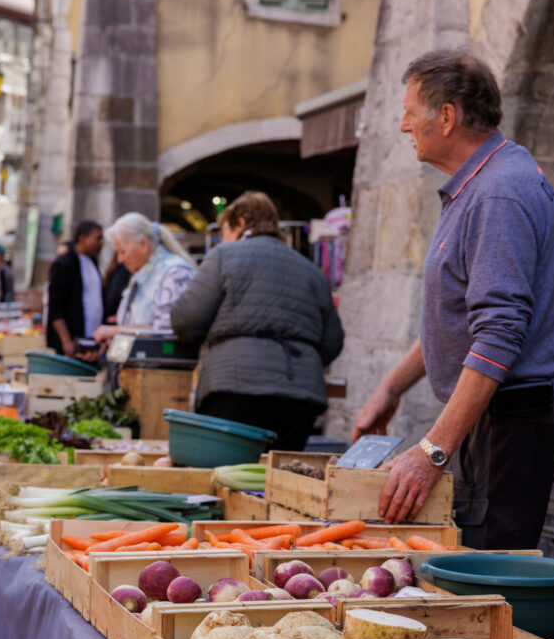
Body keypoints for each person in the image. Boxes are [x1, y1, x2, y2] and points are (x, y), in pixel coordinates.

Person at [353, 49, 554, 548]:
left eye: (410, 111)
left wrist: (433, 450)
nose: (402, 124)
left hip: (509, 420)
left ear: (446, 117)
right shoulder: (482, 185)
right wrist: (391, 388)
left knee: (486, 576)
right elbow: (459, 317)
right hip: (493, 415)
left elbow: (498, 333)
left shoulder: (498, 194)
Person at [170, 190, 345, 450]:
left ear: (240, 222)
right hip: (300, 397)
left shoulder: (224, 256)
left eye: (225, 231)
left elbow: (187, 319)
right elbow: (333, 341)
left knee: (227, 478)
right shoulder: (312, 271)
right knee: (280, 479)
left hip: (234, 389)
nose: (224, 239)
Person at [92, 215, 195, 347]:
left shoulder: (175, 272)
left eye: (123, 251)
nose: (119, 260)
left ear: (144, 244)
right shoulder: (143, 272)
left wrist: (116, 331)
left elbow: (166, 331)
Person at [46, 220, 104, 357]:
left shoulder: (92, 262)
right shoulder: (64, 263)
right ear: (82, 239)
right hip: (73, 341)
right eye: (98, 238)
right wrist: (66, 341)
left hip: (91, 339)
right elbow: (55, 306)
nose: (101, 243)